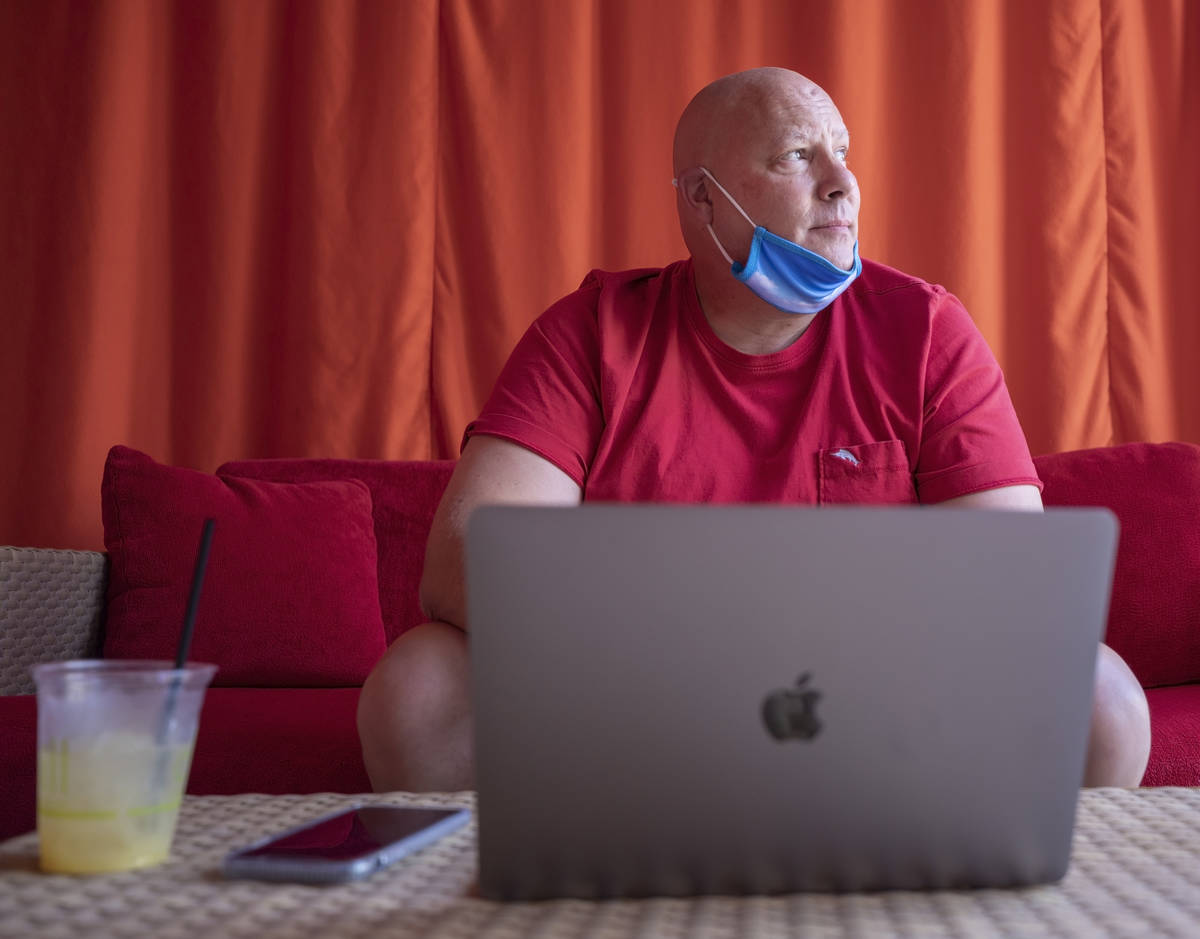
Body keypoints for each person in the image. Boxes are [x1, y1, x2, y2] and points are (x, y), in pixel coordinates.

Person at [357, 67, 1151, 793]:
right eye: (796, 158)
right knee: (418, 691)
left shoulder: (928, 330)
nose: (843, 184)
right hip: (632, 705)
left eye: (842, 154)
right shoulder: (591, 333)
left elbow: (1011, 579)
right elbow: (464, 562)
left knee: (1101, 699)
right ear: (703, 200)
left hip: (876, 707)